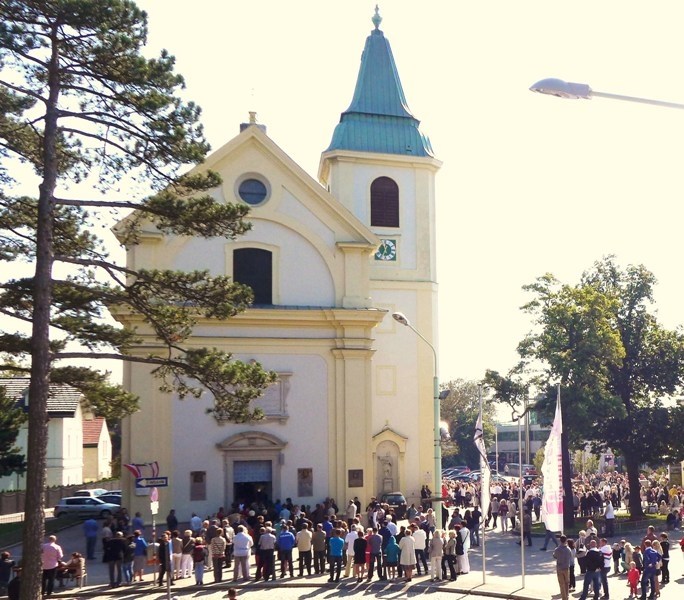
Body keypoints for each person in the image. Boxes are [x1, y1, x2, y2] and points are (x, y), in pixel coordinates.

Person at [553, 535, 573, 600]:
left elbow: (555, 556)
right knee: (567, 582)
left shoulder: (557, 549)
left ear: (560, 540)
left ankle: (564, 598)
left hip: (559, 568)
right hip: (566, 568)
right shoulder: (568, 549)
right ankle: (567, 596)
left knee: (561, 584)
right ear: (566, 540)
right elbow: (570, 556)